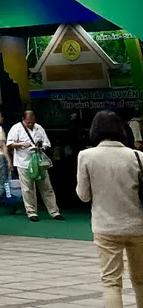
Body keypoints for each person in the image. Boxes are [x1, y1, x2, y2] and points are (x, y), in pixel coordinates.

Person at [77, 110, 143, 308]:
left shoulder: (86, 156)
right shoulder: (138, 156)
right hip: (138, 226)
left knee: (111, 282)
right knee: (141, 280)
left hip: (106, 226)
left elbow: (83, 195)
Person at [7, 110, 64, 222]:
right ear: (23, 120)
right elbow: (9, 144)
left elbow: (47, 142)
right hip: (23, 162)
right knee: (28, 189)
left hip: (39, 161)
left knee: (46, 187)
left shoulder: (39, 128)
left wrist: (42, 147)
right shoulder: (16, 128)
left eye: (32, 122)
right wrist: (22, 144)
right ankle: (32, 212)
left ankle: (54, 211)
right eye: (28, 122)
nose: (31, 124)